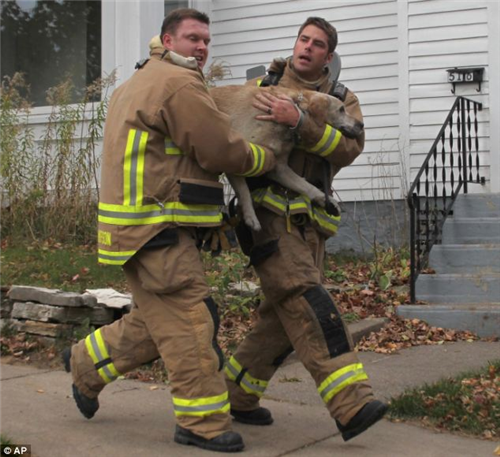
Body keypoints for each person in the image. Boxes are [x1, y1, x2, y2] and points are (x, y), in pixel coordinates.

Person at [62, 8, 276, 453]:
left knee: (157, 319)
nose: (201, 47)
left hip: (136, 228)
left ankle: (86, 363)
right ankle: (202, 422)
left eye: (206, 41)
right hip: (156, 226)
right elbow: (219, 149)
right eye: (193, 38)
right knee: (189, 322)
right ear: (167, 40)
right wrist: (265, 159)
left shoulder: (139, 80)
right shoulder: (178, 83)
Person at [225, 17, 388, 441]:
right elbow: (230, 140)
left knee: (280, 319)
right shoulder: (263, 87)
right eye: (303, 39)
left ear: (328, 57)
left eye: (317, 44)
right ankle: (351, 403)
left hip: (312, 225)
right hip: (267, 221)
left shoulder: (342, 99)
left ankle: (235, 394)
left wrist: (301, 122)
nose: (306, 48)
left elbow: (348, 149)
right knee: (306, 301)